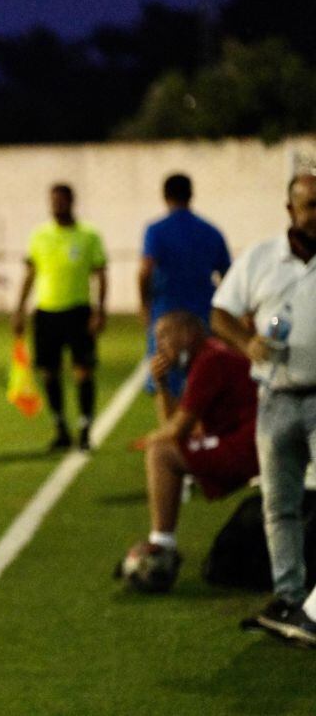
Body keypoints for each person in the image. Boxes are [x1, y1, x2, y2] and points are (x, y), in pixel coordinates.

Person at [211, 173, 316, 648]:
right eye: (308, 205)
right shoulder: (260, 257)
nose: (315, 214)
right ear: (290, 209)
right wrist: (244, 341)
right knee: (279, 504)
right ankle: (289, 598)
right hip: (274, 399)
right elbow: (220, 313)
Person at [119, 311, 259, 592]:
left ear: (187, 334)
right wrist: (161, 385)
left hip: (249, 445)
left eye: (164, 336)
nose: (159, 346)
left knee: (160, 453)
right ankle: (162, 543)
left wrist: (149, 440)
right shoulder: (205, 359)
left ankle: (161, 547)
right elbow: (176, 427)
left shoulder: (210, 360)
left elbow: (175, 431)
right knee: (165, 448)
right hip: (246, 440)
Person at [12, 184, 107, 452]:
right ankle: (61, 429)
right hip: (46, 313)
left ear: (71, 202)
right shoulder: (40, 235)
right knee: (48, 373)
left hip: (78, 311)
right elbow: (30, 273)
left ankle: (86, 428)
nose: (56, 205)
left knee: (83, 371)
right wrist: (19, 309)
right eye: (52, 200)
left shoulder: (88, 235)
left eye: (61, 201)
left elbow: (100, 273)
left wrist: (100, 310)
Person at [138, 174, 231, 395]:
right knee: (202, 377)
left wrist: (144, 305)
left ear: (165, 195)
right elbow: (228, 275)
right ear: (191, 194)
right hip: (202, 314)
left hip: (166, 314)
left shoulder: (156, 230)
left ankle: (172, 427)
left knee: (164, 378)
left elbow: (145, 271)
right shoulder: (210, 230)